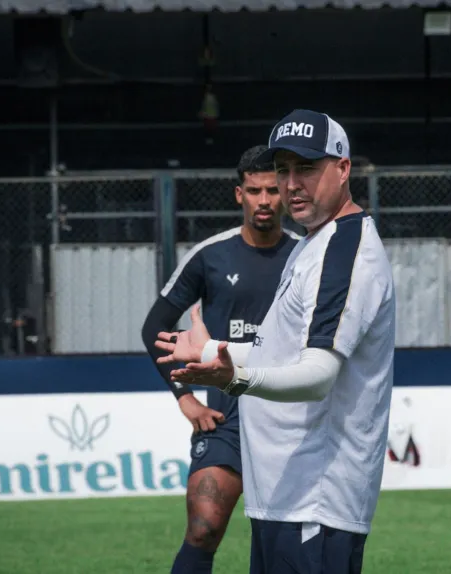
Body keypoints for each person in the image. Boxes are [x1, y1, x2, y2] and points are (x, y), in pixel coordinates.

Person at [154, 109, 396, 574]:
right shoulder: (313, 245)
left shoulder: (345, 252)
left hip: (315, 506)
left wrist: (236, 377)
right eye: (282, 170)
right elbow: (282, 352)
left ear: (343, 168)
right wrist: (207, 350)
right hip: (285, 499)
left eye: (305, 168)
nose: (290, 184)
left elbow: (318, 375)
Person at [141, 144, 300, 574]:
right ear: (239, 195)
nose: (264, 201)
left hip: (289, 419)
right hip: (226, 419)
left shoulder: (308, 257)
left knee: (283, 546)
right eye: (254, 191)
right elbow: (153, 328)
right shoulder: (211, 255)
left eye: (272, 190)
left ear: (286, 193)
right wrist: (185, 398)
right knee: (204, 529)